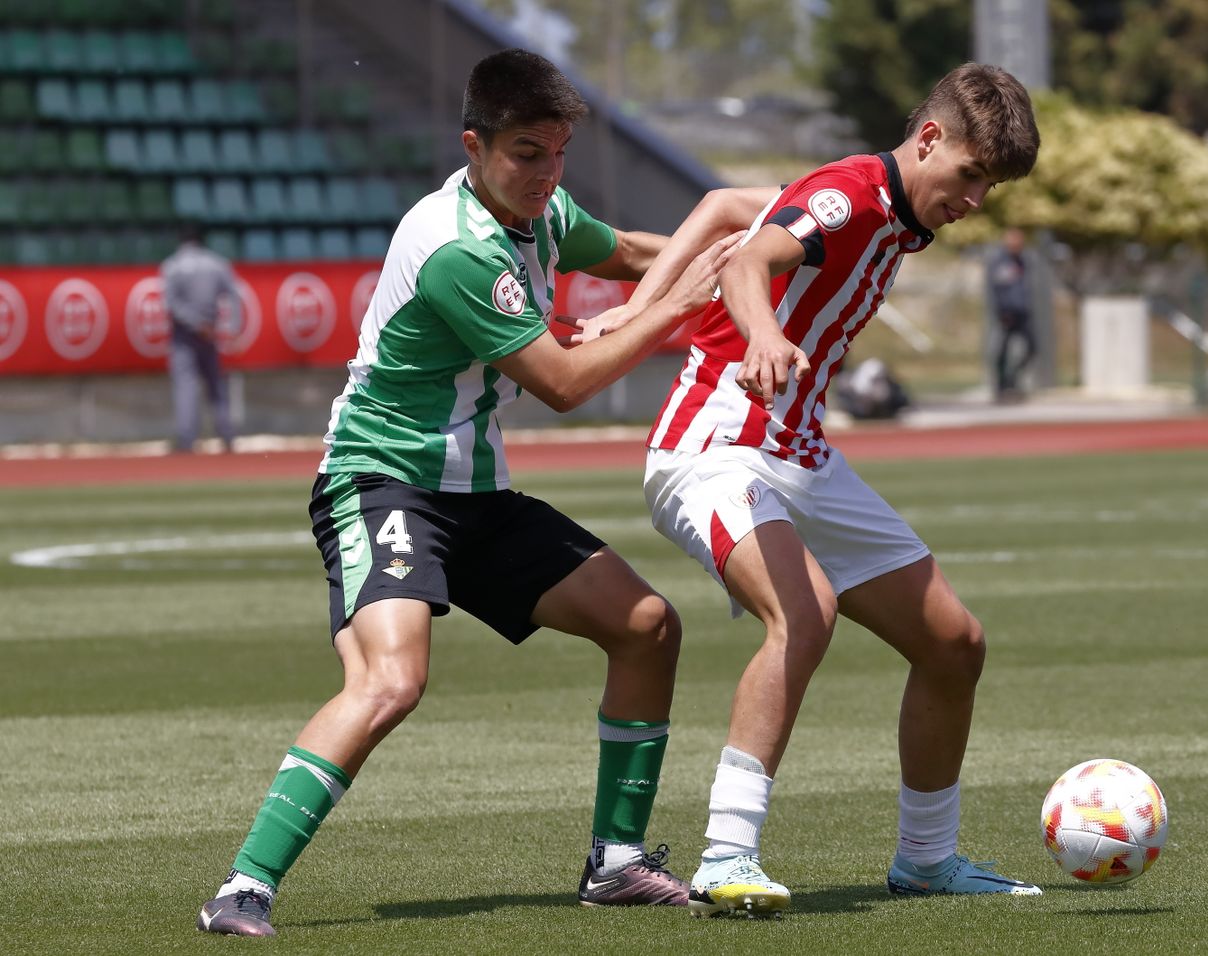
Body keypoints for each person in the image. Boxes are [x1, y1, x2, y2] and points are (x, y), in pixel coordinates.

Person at [197, 49, 757, 937]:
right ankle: (243, 888)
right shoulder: (457, 247)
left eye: (561, 152)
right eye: (527, 152)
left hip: (476, 495)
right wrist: (678, 302)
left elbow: (630, 255)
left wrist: (755, 254)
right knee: (391, 681)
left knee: (646, 625)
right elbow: (564, 383)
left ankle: (616, 864)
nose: (548, 173)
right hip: (381, 484)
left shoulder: (541, 212)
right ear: (474, 144)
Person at [643, 62, 1043, 917]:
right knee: (806, 611)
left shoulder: (896, 208)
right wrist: (761, 335)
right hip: (714, 444)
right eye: (972, 174)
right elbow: (751, 261)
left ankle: (928, 862)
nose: (976, 198)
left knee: (954, 644)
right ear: (928, 139)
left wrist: (633, 305)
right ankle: (724, 857)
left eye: (991, 186)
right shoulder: (851, 195)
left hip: (798, 450)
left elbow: (721, 210)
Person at [160, 222, 239, 453]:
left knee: (186, 386)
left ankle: (187, 439)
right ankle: (226, 436)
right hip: (210, 332)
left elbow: (171, 303)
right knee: (216, 385)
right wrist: (232, 327)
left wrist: (195, 323)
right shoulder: (216, 263)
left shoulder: (172, 265)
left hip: (186, 334)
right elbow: (235, 295)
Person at [987, 226, 1037, 401]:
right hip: (1006, 314)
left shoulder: (1023, 261)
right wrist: (1003, 311)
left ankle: (1013, 382)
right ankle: (1002, 387)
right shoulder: (1000, 261)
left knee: (1031, 348)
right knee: (1001, 351)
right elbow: (997, 289)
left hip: (1023, 313)